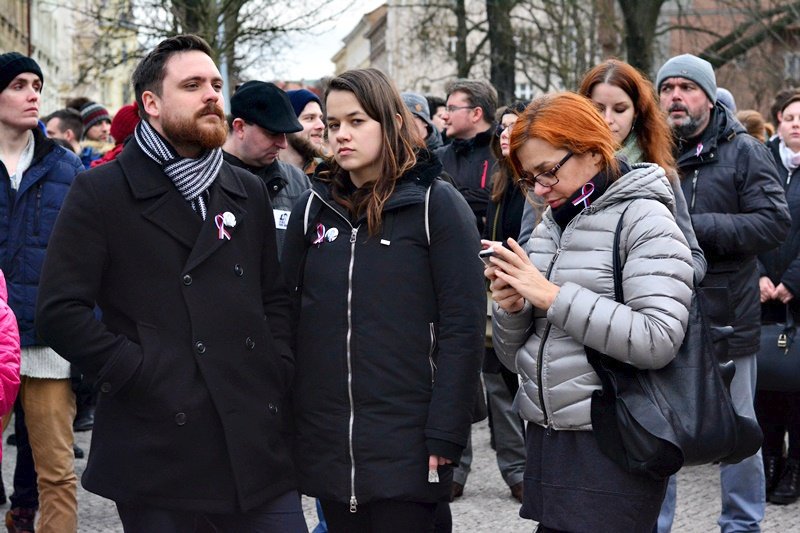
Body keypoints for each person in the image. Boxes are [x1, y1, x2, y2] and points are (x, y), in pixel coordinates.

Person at [35, 34, 306, 531]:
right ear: (152, 104)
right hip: (160, 442)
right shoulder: (101, 190)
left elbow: (273, 297)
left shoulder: (243, 187)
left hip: (254, 435)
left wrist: (277, 365)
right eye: (193, 84)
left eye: (216, 84)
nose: (211, 95)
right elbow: (60, 311)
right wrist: (141, 371)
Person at [281, 67, 485, 532]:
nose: (342, 135)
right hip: (331, 439)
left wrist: (446, 430)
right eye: (334, 125)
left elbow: (463, 327)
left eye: (357, 121)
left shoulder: (437, 205)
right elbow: (287, 315)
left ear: (390, 122)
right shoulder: (313, 208)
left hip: (409, 439)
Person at [488, 91, 694, 532]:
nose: (540, 190)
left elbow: (657, 338)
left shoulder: (645, 218)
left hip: (616, 439)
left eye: (548, 172)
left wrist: (551, 297)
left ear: (593, 150)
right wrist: (512, 310)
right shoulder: (550, 223)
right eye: (529, 179)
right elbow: (518, 359)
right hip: (550, 439)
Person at [655, 53, 791, 533]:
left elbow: (774, 222)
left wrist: (697, 228)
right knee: (658, 429)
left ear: (709, 97)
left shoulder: (744, 151)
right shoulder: (649, 152)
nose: (676, 96)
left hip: (728, 313)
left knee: (739, 430)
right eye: (667, 87)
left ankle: (742, 524)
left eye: (687, 88)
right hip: (661, 312)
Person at [0, 51, 83, 533]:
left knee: (56, 473)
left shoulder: (65, 168)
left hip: (49, 343)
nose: (33, 93)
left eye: (36, 84)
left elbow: (86, 258)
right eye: (18, 84)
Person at [577, 58, 706, 282]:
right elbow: (534, 245)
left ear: (636, 113)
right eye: (597, 109)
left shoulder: (661, 175)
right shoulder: (559, 169)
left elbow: (694, 258)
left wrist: (661, 284)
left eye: (619, 109)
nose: (607, 120)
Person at [481, 101, 529, 503]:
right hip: (497, 287)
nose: (505, 133)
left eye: (514, 126)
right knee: (495, 380)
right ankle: (516, 468)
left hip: (527, 291)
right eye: (501, 127)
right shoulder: (499, 179)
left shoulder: (535, 181)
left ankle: (526, 466)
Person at [757, 92, 800, 506]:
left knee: (797, 389)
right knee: (765, 385)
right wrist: (758, 276)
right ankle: (770, 458)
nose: (796, 125)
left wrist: (792, 280)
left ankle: (794, 467)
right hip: (761, 297)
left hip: (796, 298)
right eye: (789, 117)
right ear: (778, 121)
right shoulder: (761, 162)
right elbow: (748, 219)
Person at [222, 80, 309, 254]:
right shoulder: (203, 179)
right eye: (273, 133)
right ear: (239, 127)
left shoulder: (298, 182)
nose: (283, 144)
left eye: (285, 134)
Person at [435, 79, 497, 235]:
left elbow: (496, 199)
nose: (444, 116)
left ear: (476, 113)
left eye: (451, 109)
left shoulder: (504, 155)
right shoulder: (438, 158)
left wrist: (452, 194)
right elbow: (433, 202)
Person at [284, 88, 327, 175]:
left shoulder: (330, 174)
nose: (322, 126)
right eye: (310, 118)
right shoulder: (261, 178)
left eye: (320, 118)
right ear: (286, 124)